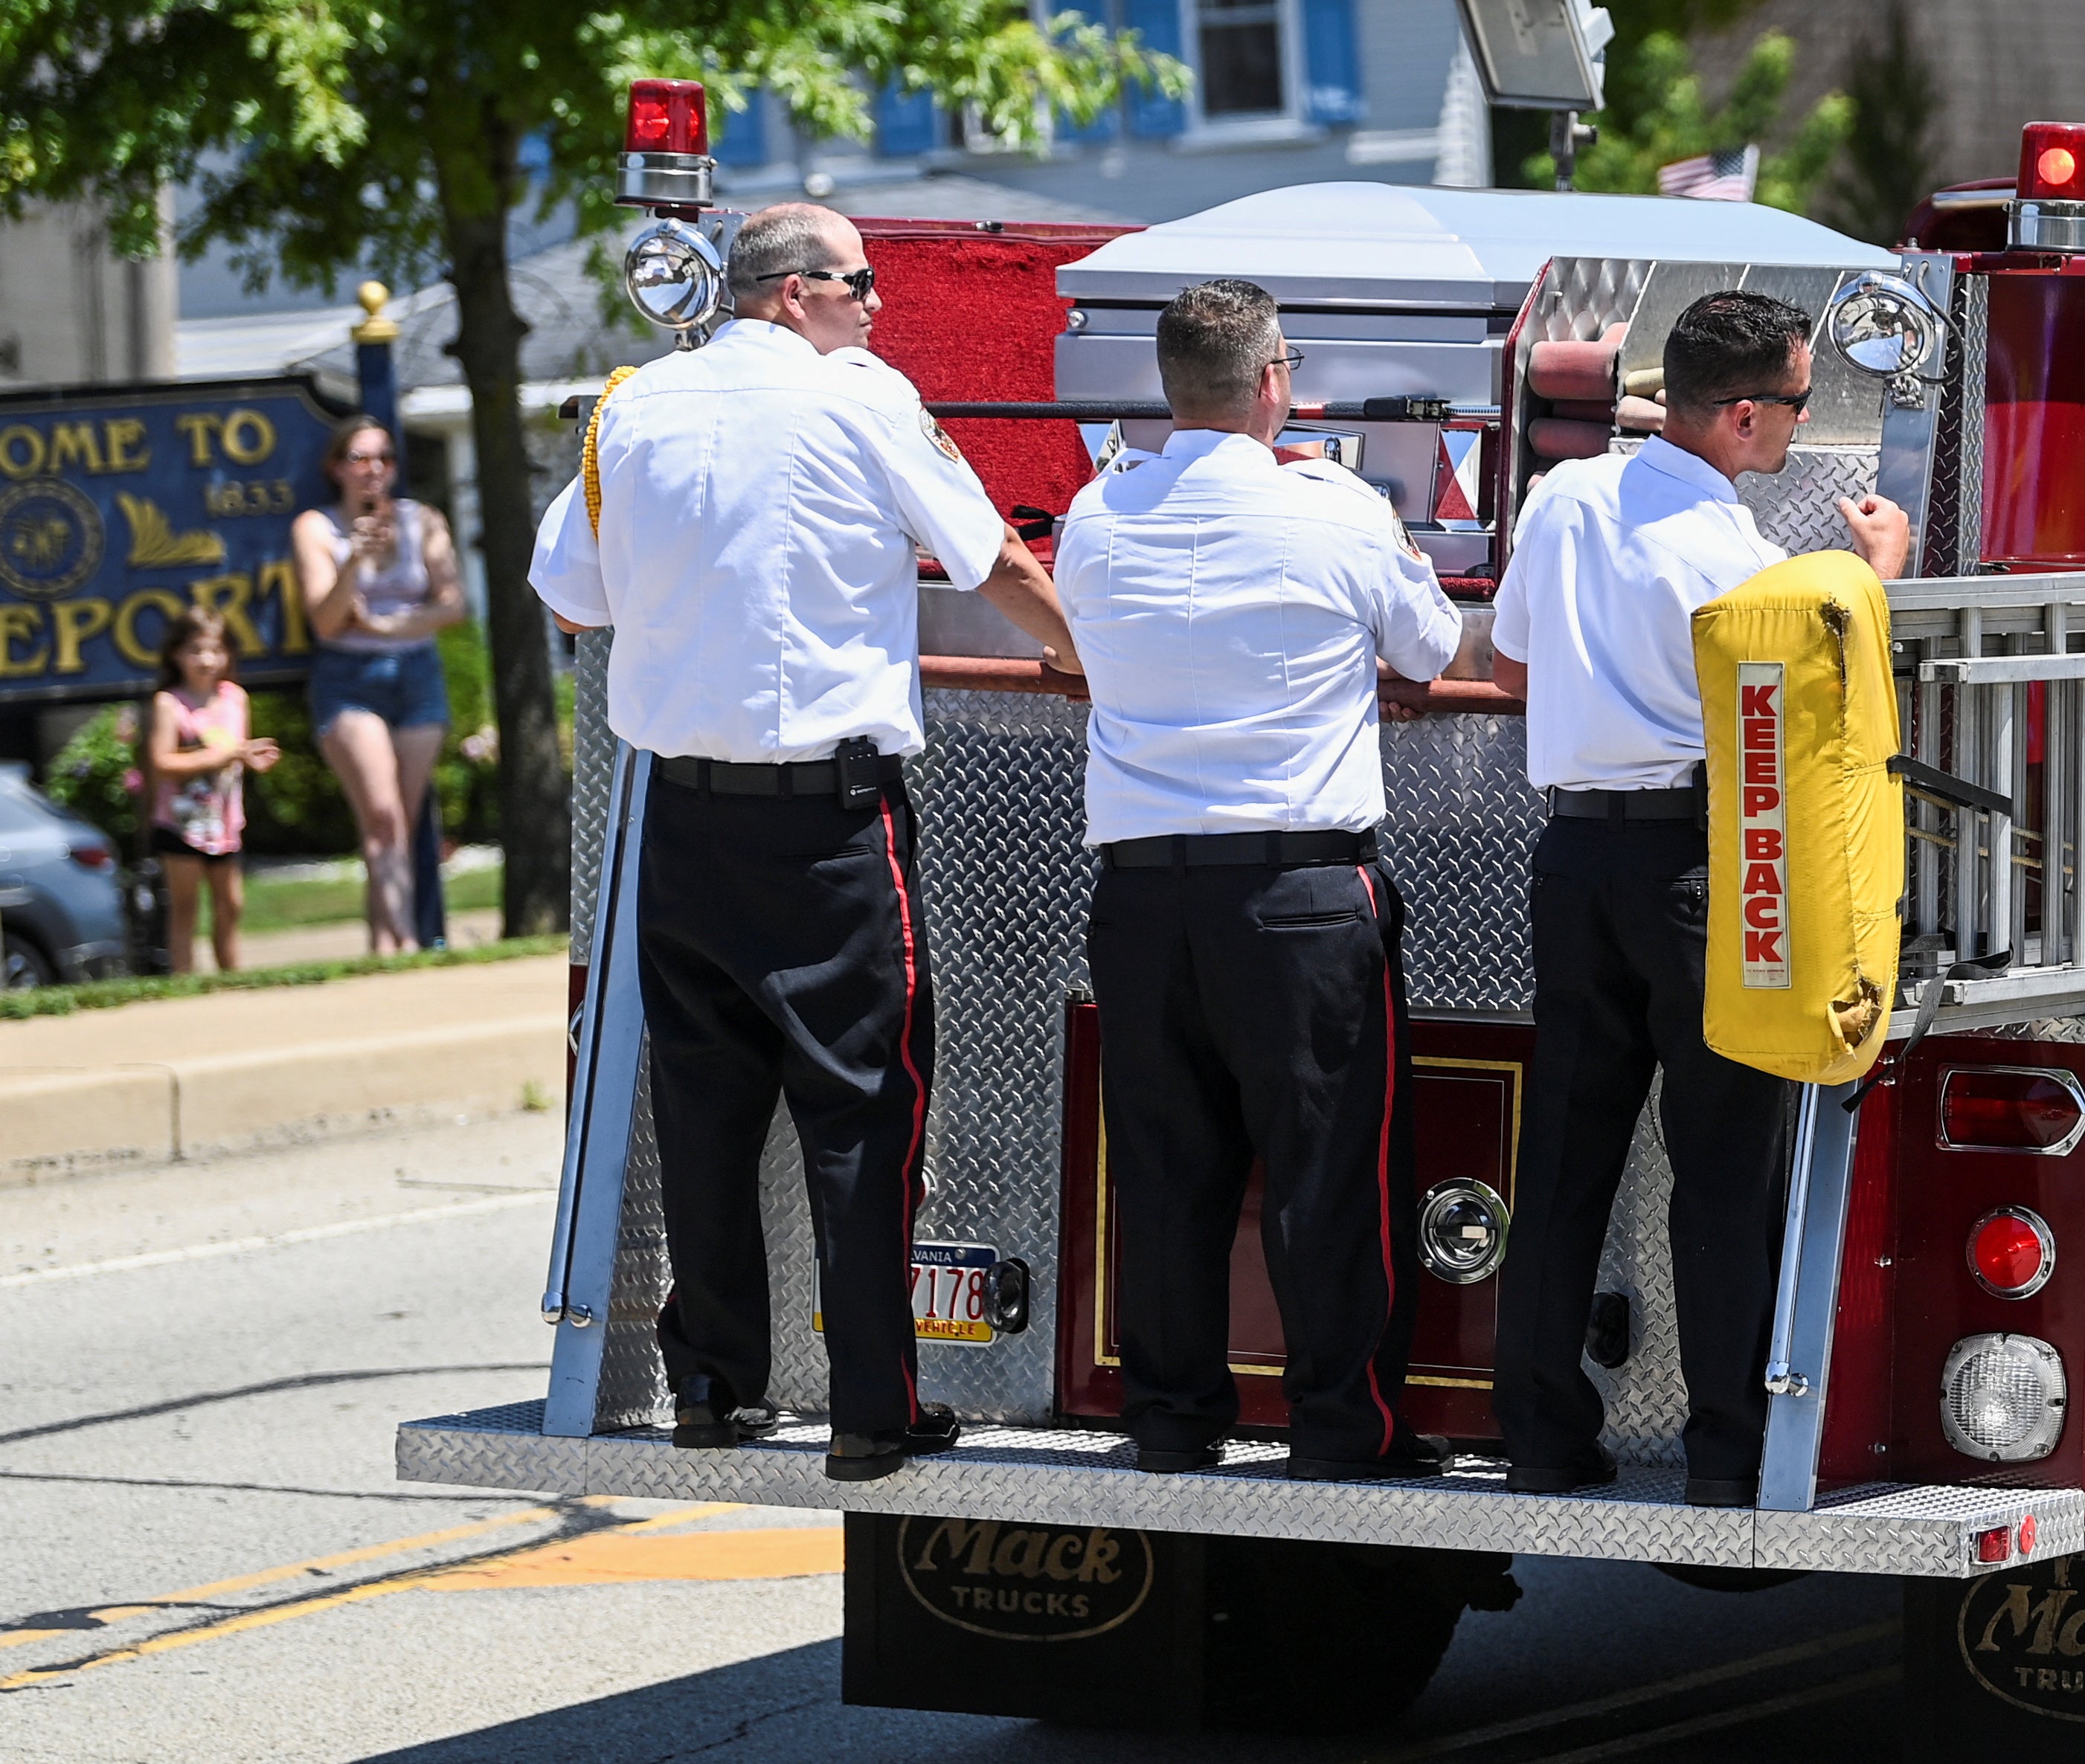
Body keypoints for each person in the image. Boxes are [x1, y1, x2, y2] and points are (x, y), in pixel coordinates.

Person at [530, 202, 1077, 1484]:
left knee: (707, 1107)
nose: (879, 305)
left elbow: (572, 589)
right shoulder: (861, 398)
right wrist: (1085, 655)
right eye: (862, 282)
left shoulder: (636, 407)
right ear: (794, 293)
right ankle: (871, 1406)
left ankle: (712, 1384)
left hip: (680, 816)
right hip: (827, 823)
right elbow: (986, 549)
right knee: (863, 1112)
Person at [1485, 292, 1909, 1506]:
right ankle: (1728, 1454)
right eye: (1791, 401)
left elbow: (1510, 661)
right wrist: (1873, 578)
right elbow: (1818, 727)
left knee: (1566, 1156)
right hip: (1699, 867)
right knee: (1724, 1165)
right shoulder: (1742, 562)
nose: (1794, 423)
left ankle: (1542, 1434)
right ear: (1738, 415)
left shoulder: (1563, 496)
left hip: (1570, 857)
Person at [1056, 279, 1465, 1481]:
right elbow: (1431, 650)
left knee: (1166, 1167)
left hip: (1139, 894)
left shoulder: (1099, 515)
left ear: (1167, 389)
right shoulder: (1331, 509)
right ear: (1274, 381)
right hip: (1295, 891)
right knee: (1326, 1169)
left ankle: (1174, 1416)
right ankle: (1344, 1425)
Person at [290, 417, 463, 953]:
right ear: (337, 468)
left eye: (384, 459)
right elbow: (325, 620)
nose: (374, 471)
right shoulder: (316, 529)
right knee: (382, 817)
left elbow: (452, 604)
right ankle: (405, 942)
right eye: (361, 459)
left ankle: (383, 947)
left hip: (416, 673)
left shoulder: (423, 522)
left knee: (402, 824)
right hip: (350, 679)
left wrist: (386, 625)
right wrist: (356, 562)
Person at [141, 606, 280, 973]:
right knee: (185, 908)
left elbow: (237, 753)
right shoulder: (169, 703)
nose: (207, 659)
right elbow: (162, 762)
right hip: (180, 822)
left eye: (216, 650)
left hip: (223, 820)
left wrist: (249, 758)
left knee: (231, 904)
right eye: (196, 650)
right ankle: (185, 985)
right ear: (175, 654)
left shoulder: (235, 698)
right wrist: (222, 755)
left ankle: (231, 980)